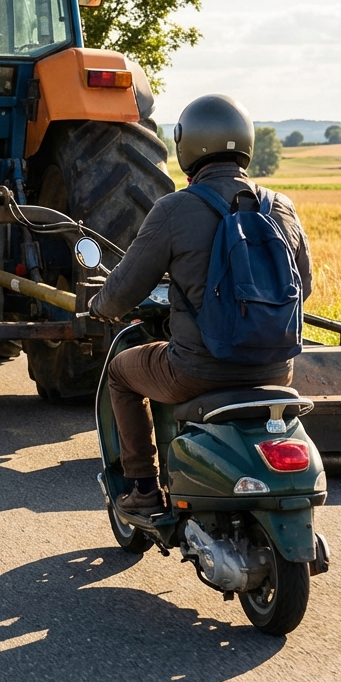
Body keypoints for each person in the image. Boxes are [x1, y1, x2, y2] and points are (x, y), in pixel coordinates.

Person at [88, 95, 313, 516]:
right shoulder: (281, 207)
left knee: (121, 372)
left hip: (197, 371)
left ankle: (143, 489)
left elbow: (122, 292)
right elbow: (304, 288)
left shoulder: (174, 209)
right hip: (277, 368)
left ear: (186, 146)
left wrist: (101, 306)